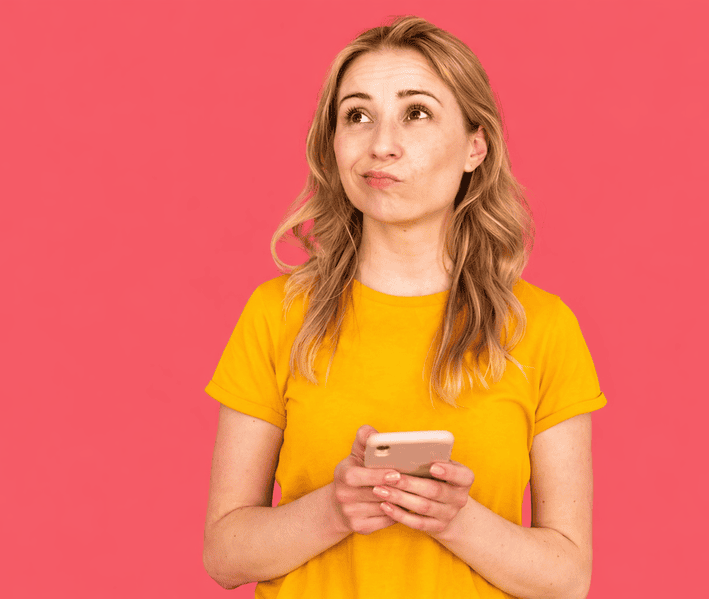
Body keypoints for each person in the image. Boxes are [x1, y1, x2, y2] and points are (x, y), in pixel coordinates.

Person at [202, 15, 606, 599]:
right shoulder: (278, 314)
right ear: (334, 144)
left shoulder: (541, 328)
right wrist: (335, 510)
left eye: (416, 113)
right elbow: (224, 555)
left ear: (475, 146)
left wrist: (455, 519)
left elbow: (567, 579)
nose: (380, 145)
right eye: (357, 115)